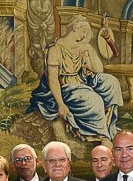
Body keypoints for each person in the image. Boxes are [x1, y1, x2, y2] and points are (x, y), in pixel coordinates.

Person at [28, 15, 123, 143]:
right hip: (64, 89)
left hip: (81, 83)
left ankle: (107, 125)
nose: (84, 35)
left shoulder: (80, 48)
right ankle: (101, 136)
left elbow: (98, 69)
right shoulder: (55, 49)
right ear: (74, 27)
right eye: (84, 31)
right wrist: (61, 105)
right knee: (94, 100)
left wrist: (90, 50)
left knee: (112, 83)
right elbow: (53, 80)